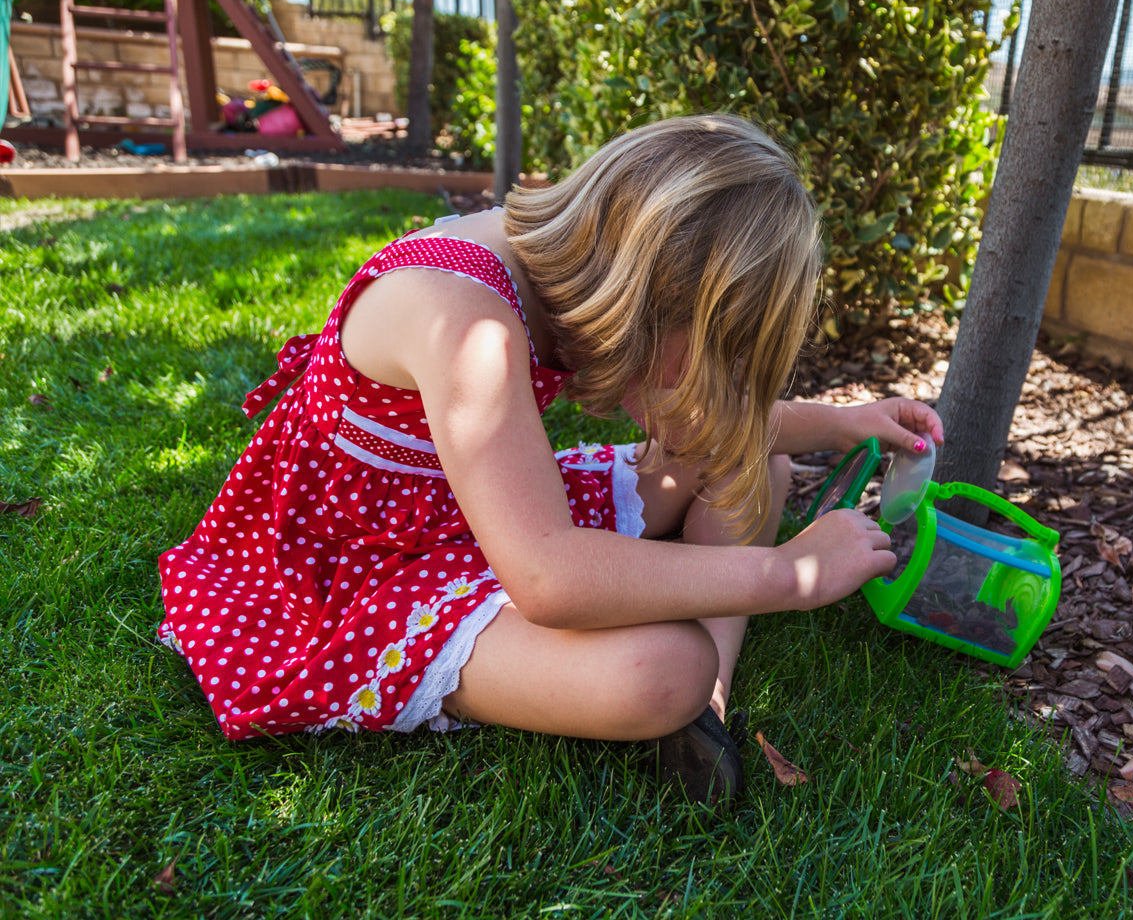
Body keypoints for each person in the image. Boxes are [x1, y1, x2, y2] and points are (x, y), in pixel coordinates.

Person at [157, 114, 943, 802]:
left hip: (461, 505)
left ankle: (706, 707)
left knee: (752, 462)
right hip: (356, 567)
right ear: (650, 300)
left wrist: (845, 423)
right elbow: (548, 578)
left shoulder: (562, 269)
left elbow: (721, 427)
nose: (715, 388)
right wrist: (789, 576)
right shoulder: (465, 318)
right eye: (712, 360)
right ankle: (684, 690)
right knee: (658, 669)